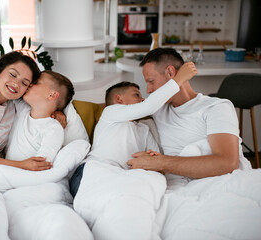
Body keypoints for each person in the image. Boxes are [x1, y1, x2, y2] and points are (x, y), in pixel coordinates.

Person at [69, 62, 197, 197]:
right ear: (118, 99)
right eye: (137, 95)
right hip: (93, 171)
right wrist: (179, 79)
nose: (142, 99)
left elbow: (156, 161)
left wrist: (152, 162)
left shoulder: (144, 128)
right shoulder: (111, 112)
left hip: (121, 177)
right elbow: (149, 106)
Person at [127, 47, 252, 180]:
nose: (149, 90)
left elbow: (227, 163)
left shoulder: (216, 107)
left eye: (151, 81)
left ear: (170, 72)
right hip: (179, 187)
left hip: (220, 183)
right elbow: (116, 109)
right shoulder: (158, 108)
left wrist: (158, 162)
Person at [4, 70, 75, 164]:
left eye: (36, 82)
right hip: (7, 168)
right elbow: (5, 92)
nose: (29, 84)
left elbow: (43, 162)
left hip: (27, 174)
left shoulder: (53, 128)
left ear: (52, 95)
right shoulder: (23, 109)